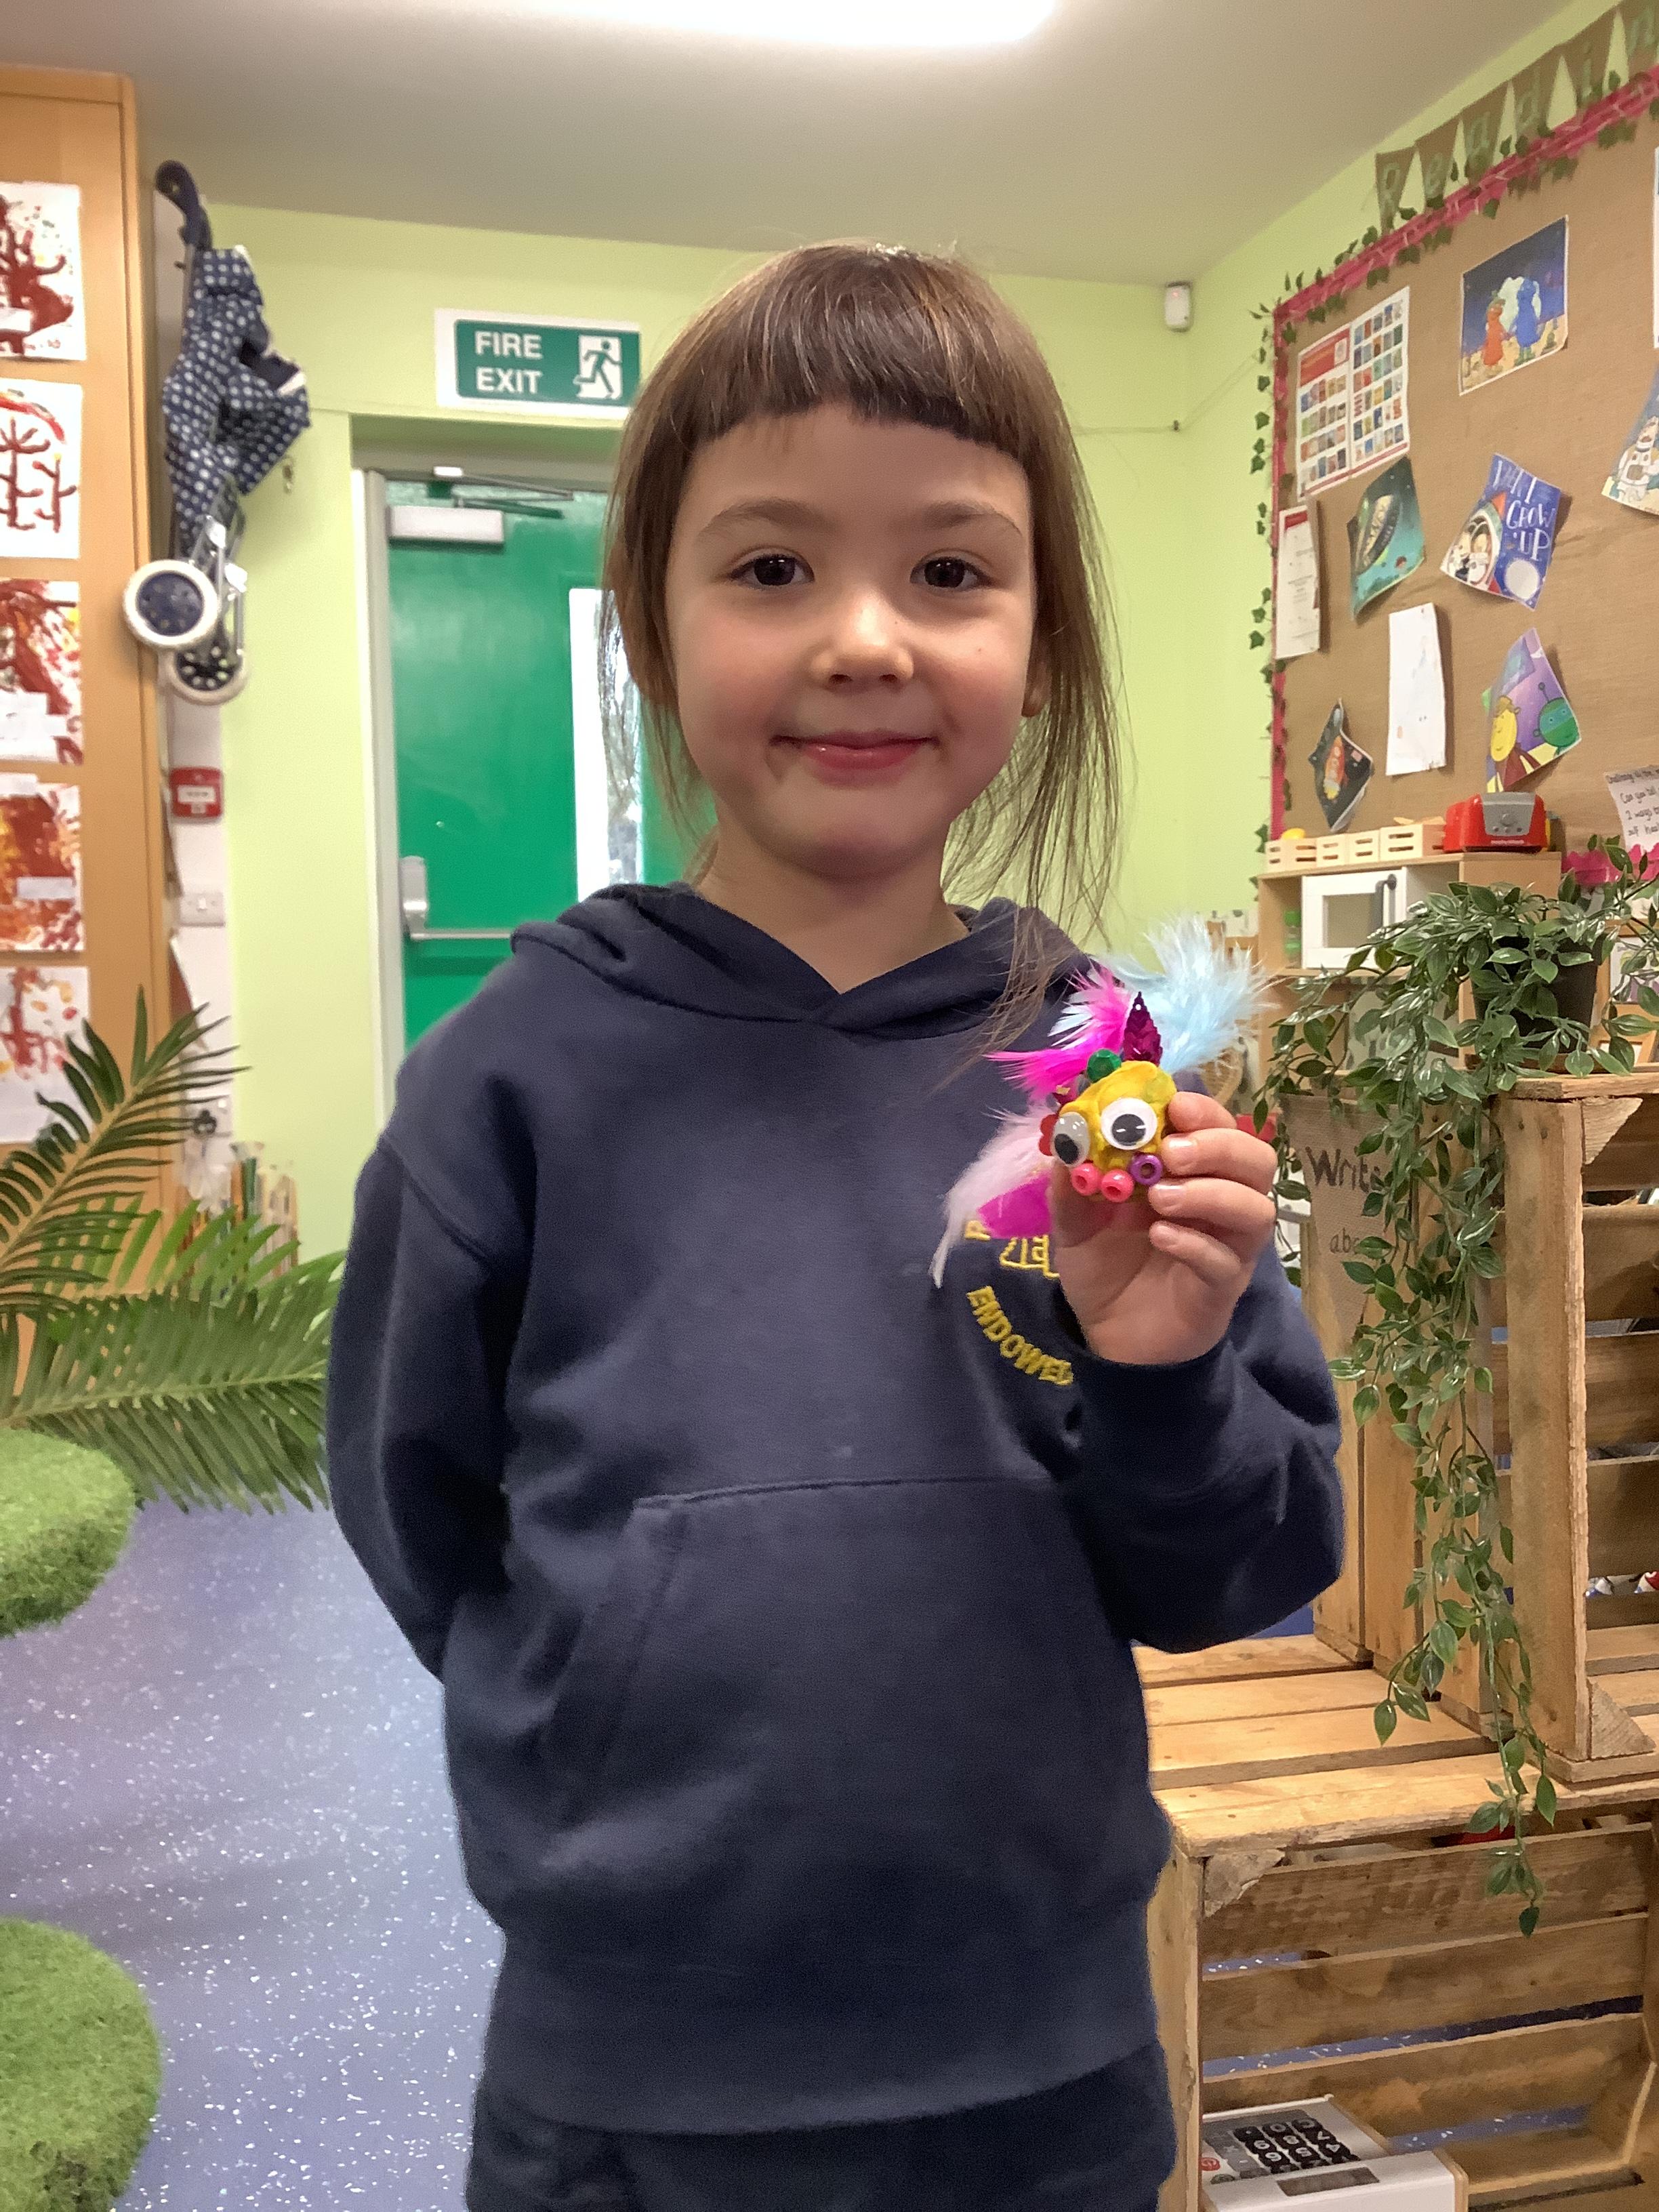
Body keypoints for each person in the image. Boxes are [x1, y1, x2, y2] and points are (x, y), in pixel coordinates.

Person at [327, 243, 1343, 2212]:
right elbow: (419, 1518)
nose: (867, 639)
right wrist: (618, 1703)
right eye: (774, 566)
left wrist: (1158, 1374)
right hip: (634, 2083)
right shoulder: (510, 1075)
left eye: (951, 570)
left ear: (1042, 644)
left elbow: (1237, 1570)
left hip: (1043, 2066)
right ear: (650, 624)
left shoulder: (1098, 1065)